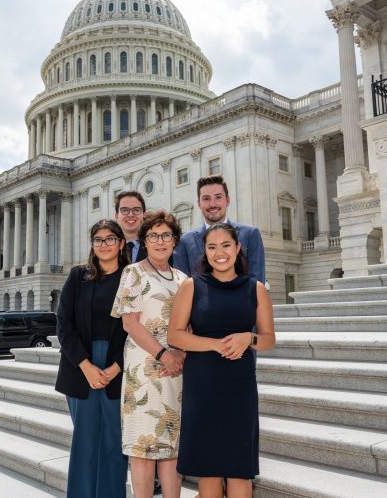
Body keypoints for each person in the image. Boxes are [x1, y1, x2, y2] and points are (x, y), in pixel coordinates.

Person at [168, 223, 275, 498]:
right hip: (202, 386)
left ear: (238, 248)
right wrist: (216, 345)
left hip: (239, 387)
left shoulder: (257, 288)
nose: (220, 253)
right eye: (212, 247)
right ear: (205, 251)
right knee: (209, 469)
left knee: (240, 470)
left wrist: (246, 339)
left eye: (226, 245)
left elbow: (268, 339)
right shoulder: (191, 286)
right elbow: (175, 336)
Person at [112, 210, 187, 498]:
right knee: (142, 450)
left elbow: (189, 323)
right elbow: (129, 323)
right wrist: (164, 355)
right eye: (153, 235)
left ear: (174, 240)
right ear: (144, 241)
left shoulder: (183, 278)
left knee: (171, 447)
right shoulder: (133, 273)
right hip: (143, 370)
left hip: (175, 371)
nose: (159, 241)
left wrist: (180, 355)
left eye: (165, 235)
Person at [55, 219, 129, 498]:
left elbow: (138, 327)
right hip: (80, 367)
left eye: (110, 239)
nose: (104, 245)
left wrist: (115, 367)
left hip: (119, 365)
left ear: (121, 243)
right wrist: (86, 365)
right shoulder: (77, 276)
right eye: (98, 239)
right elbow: (64, 324)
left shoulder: (133, 278)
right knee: (85, 441)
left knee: (114, 441)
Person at [174, 175, 265, 283]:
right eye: (206, 198)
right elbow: (182, 285)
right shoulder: (184, 241)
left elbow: (257, 283)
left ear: (227, 200)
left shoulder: (250, 234)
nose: (212, 204)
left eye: (218, 197)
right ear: (199, 203)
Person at [115, 190, 147, 263]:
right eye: (124, 210)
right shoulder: (108, 247)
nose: (130, 215)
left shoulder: (156, 245)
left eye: (136, 210)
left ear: (144, 214)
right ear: (117, 216)